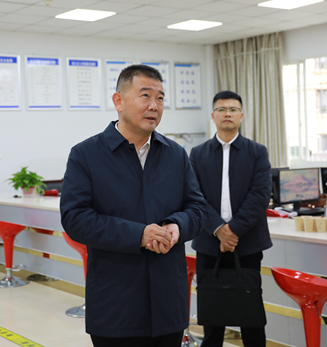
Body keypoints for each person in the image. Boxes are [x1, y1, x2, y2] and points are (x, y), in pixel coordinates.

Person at [60, 64, 207, 347]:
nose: (154, 106)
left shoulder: (175, 154)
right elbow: (75, 218)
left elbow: (198, 209)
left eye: (160, 98)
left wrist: (176, 227)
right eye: (145, 95)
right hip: (116, 306)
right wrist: (139, 235)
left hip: (168, 304)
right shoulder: (86, 155)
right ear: (118, 101)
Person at [189, 91, 271, 347]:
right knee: (212, 315)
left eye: (233, 109)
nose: (227, 114)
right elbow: (194, 196)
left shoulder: (257, 152)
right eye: (222, 109)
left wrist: (232, 231)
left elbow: (260, 196)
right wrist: (218, 229)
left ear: (241, 116)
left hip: (247, 244)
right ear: (213, 116)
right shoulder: (197, 153)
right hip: (209, 243)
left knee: (251, 315)